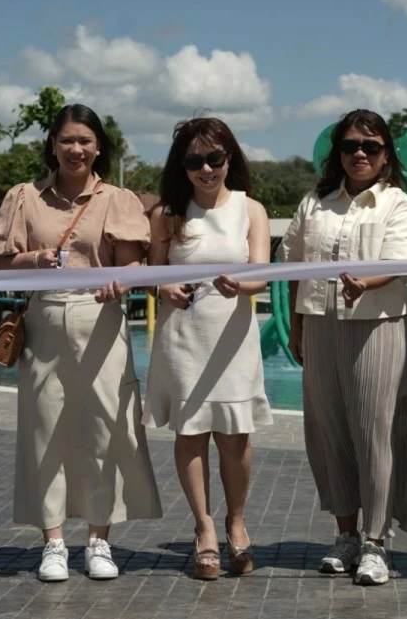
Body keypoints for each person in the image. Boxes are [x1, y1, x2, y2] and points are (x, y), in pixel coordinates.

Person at [0, 104, 162, 583]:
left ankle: (99, 540)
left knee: (105, 429)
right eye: (67, 140)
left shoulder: (117, 199)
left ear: (98, 145)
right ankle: (54, 542)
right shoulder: (25, 197)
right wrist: (37, 258)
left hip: (100, 320)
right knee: (46, 433)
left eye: (85, 140)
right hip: (43, 320)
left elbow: (133, 265)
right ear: (53, 145)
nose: (76, 149)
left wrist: (122, 281)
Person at [281, 109, 407, 587]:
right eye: (350, 146)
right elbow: (293, 267)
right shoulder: (314, 203)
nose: (359, 153)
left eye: (371, 146)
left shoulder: (398, 203)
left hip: (376, 326)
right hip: (320, 326)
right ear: (337, 153)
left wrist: (365, 281)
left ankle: (376, 541)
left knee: (374, 434)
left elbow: (403, 262)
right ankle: (345, 533)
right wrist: (298, 327)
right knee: (329, 432)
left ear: (386, 155)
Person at [144, 117, 273, 580]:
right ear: (182, 166)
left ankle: (236, 522)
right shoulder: (167, 214)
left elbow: (262, 273)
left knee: (236, 435)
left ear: (229, 158)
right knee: (191, 433)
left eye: (214, 159)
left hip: (233, 335)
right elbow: (154, 278)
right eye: (195, 161)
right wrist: (167, 291)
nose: (205, 169)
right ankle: (204, 528)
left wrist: (240, 285)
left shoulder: (250, 209)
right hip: (184, 336)